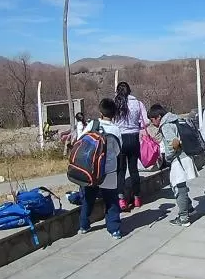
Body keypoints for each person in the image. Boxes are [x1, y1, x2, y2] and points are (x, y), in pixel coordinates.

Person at [78, 98, 123, 239]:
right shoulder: (115, 129)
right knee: (111, 201)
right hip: (109, 171)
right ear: (114, 114)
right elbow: (117, 150)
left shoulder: (92, 124)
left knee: (88, 198)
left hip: (91, 169)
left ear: (100, 112)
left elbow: (80, 140)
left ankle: (84, 225)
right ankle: (114, 229)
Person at [148, 104, 197, 227]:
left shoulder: (166, 126)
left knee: (179, 188)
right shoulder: (176, 119)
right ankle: (189, 208)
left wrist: (168, 158)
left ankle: (183, 217)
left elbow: (173, 144)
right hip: (186, 155)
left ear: (158, 117)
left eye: (152, 119)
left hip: (178, 159)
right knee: (181, 186)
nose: (152, 123)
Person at [112, 82, 149, 212]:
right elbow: (147, 120)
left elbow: (110, 121)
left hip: (120, 138)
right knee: (134, 169)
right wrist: (136, 125)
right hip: (134, 138)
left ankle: (121, 199)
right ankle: (137, 197)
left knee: (120, 171)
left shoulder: (115, 103)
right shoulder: (138, 103)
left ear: (117, 91)